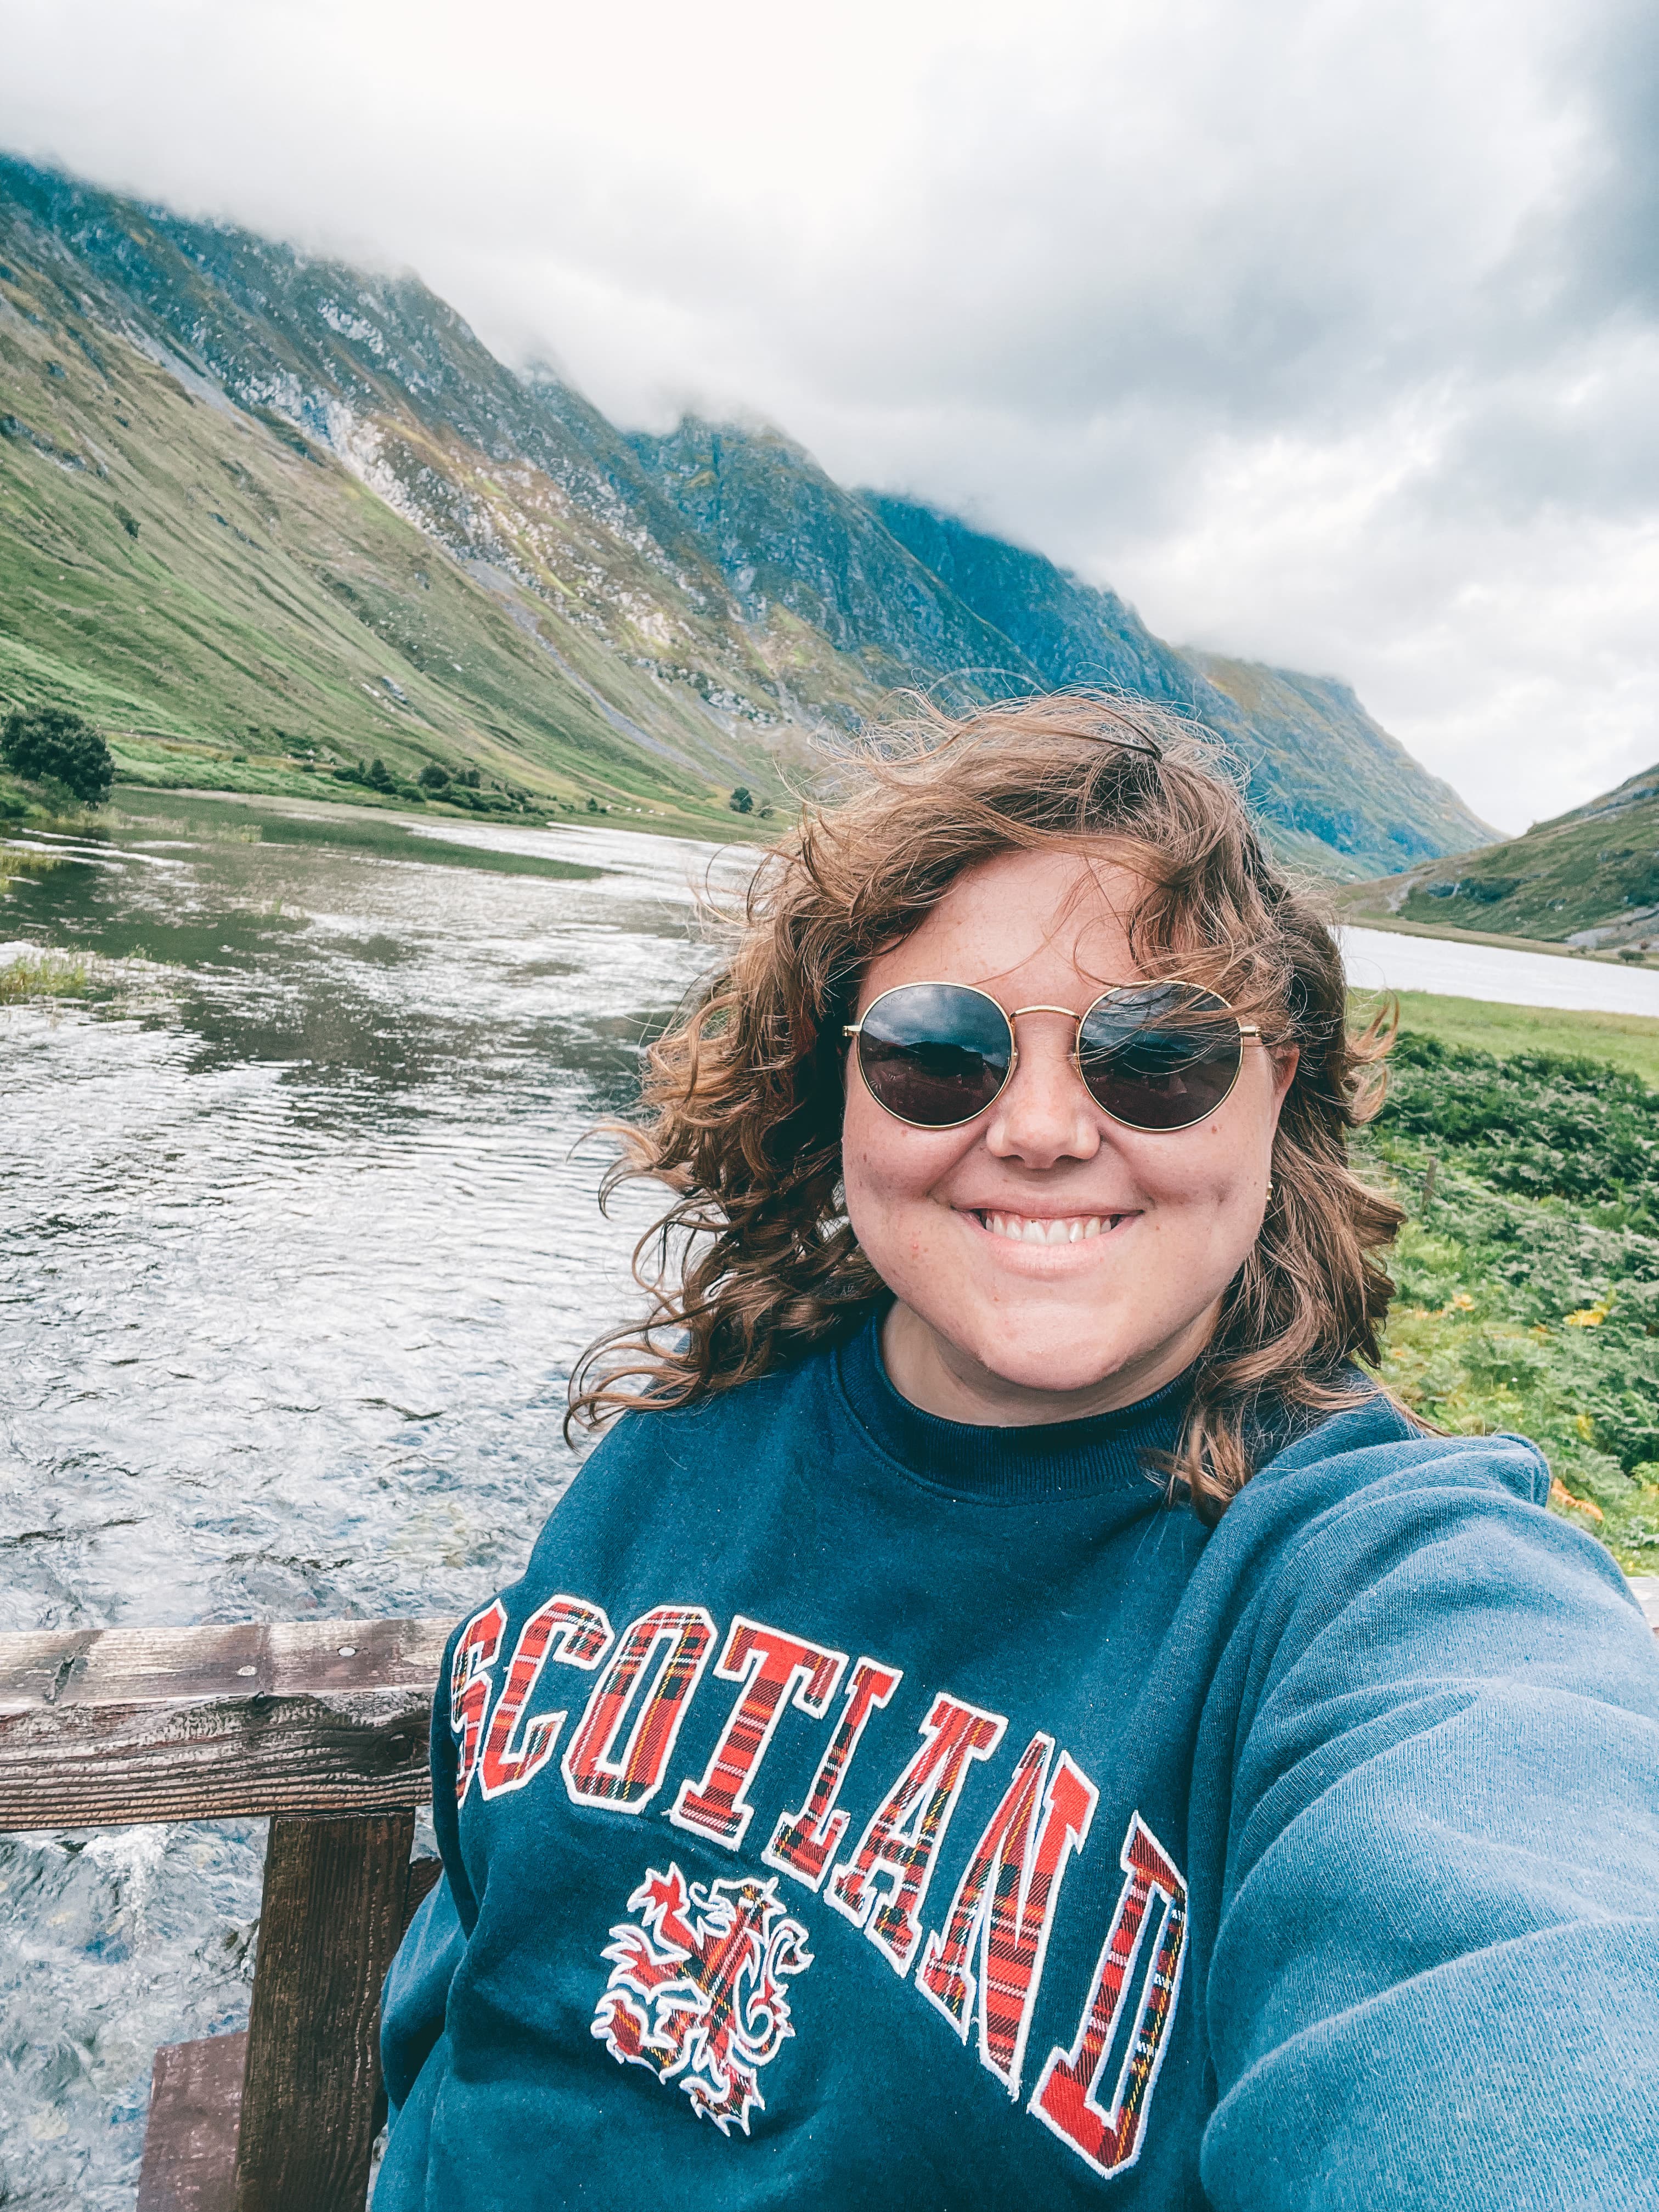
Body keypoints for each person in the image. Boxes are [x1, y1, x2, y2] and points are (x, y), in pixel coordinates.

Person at [376, 698, 1659, 2209]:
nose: (1043, 1128)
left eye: (1156, 1054)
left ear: (1280, 1090)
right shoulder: (681, 1439)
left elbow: (1525, 1954)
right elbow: (478, 1978)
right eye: (941, 1052)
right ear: (837, 1085)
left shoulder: (1375, 1581)